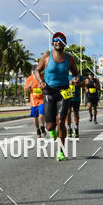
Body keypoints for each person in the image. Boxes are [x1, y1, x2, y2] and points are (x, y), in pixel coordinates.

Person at [33, 32, 79, 161]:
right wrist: (40, 81)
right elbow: (37, 70)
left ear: (65, 43)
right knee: (50, 126)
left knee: (61, 120)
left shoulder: (69, 59)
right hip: (49, 91)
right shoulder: (47, 56)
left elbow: (76, 73)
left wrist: (75, 78)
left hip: (64, 91)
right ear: (53, 42)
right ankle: (52, 131)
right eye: (56, 40)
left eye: (61, 40)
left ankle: (61, 151)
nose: (58, 42)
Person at [24, 71, 45, 136]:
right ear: (33, 72)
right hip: (33, 102)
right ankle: (38, 130)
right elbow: (25, 89)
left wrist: (43, 86)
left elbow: (47, 85)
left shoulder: (42, 77)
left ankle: (42, 126)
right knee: (35, 117)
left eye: (38, 72)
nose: (37, 74)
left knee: (41, 115)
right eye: (35, 72)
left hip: (42, 100)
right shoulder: (29, 78)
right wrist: (29, 86)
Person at [66, 71, 81, 138]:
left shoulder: (79, 76)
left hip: (76, 98)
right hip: (68, 97)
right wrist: (68, 83)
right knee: (68, 112)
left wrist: (78, 83)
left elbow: (83, 85)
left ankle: (76, 127)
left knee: (76, 113)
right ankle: (69, 128)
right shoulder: (65, 75)